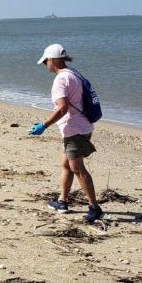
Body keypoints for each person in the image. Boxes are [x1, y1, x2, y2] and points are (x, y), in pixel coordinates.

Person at [28, 44, 104, 224]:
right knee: (66, 164)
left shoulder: (61, 80)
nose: (46, 65)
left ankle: (95, 207)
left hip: (74, 130)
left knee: (77, 168)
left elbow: (63, 108)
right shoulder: (74, 74)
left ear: (53, 60)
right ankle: (62, 201)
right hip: (82, 126)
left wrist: (43, 126)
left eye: (46, 61)